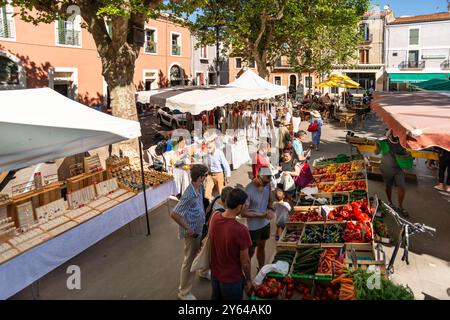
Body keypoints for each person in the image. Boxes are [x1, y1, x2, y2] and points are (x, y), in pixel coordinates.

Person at [170, 164, 210, 300]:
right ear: (200, 177)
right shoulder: (189, 194)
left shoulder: (200, 188)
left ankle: (203, 272)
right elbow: (174, 214)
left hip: (200, 228)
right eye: (206, 175)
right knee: (189, 260)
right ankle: (184, 292)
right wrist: (188, 229)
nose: (207, 177)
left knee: (203, 251)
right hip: (193, 233)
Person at [209, 188, 253, 300]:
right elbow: (245, 262)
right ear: (239, 207)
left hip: (215, 276)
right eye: (244, 205)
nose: (246, 207)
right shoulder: (241, 230)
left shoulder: (215, 216)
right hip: (232, 281)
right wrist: (248, 280)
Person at [242, 167, 275, 271]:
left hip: (265, 224)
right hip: (253, 228)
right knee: (250, 251)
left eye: (268, 181)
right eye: (265, 182)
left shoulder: (268, 185)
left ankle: (261, 270)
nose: (267, 184)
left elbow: (270, 201)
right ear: (258, 177)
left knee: (262, 247)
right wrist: (262, 215)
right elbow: (243, 213)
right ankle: (243, 274)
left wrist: (270, 209)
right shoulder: (248, 190)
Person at [375, 129, 409, 217]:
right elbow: (376, 152)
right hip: (386, 168)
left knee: (402, 187)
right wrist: (377, 146)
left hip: (398, 169)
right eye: (392, 134)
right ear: (389, 134)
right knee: (388, 186)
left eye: (397, 135)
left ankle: (400, 206)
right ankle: (390, 203)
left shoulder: (402, 141)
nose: (395, 136)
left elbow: (406, 151)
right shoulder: (384, 142)